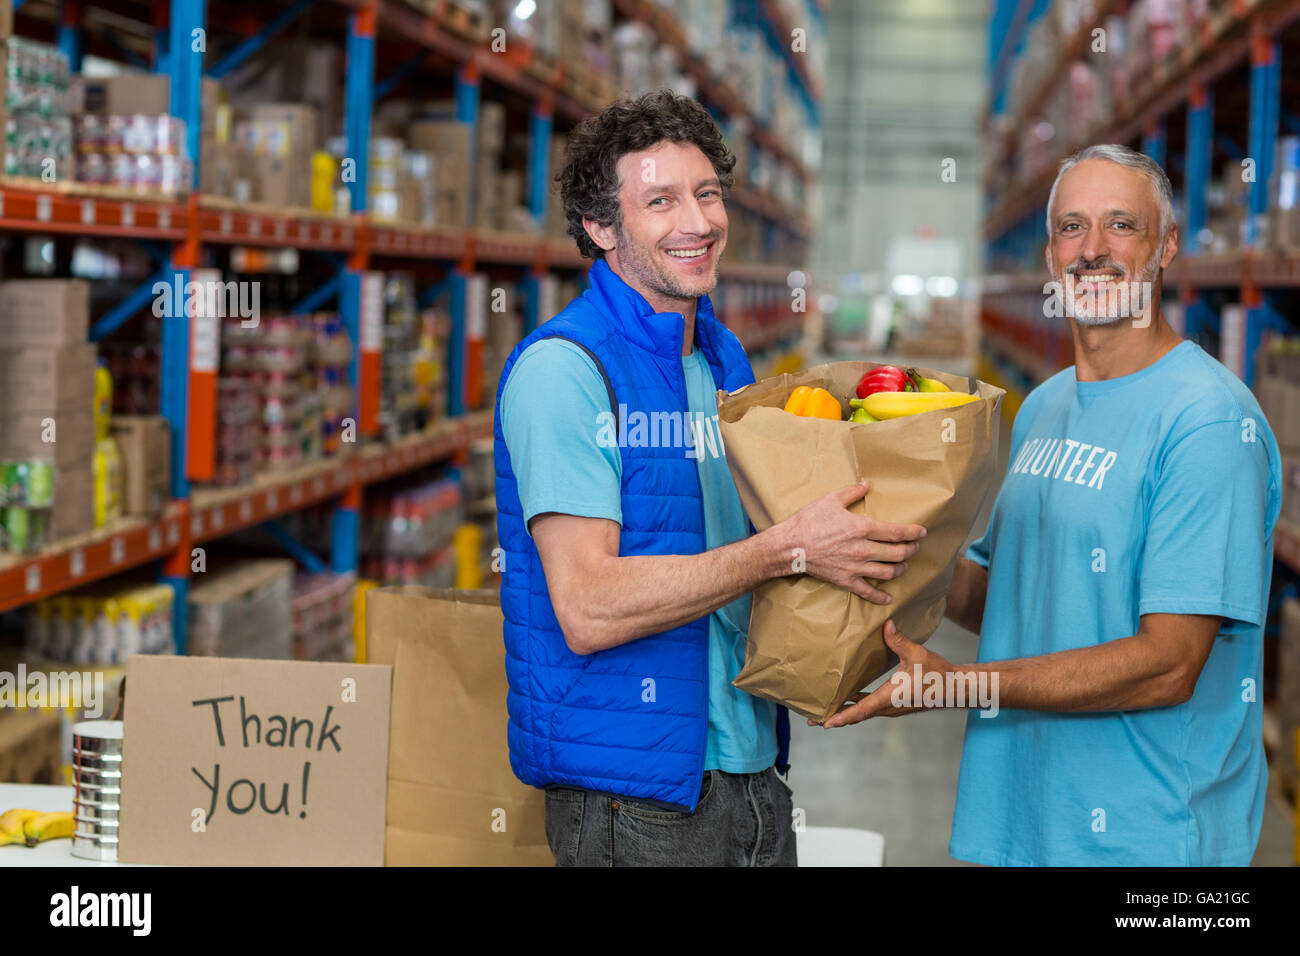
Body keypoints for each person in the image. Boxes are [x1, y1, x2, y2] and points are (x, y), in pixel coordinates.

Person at [493, 90, 926, 867]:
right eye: (659, 201)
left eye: (708, 193)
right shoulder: (564, 371)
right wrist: (785, 552)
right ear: (600, 227)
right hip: (638, 795)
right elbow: (587, 607)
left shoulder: (723, 356)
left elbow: (744, 546)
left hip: (753, 771)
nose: (697, 222)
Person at [823, 144, 1280, 867]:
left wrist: (957, 687)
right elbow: (999, 591)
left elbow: (1169, 664)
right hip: (1021, 819)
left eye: (1120, 226)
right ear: (1049, 255)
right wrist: (883, 541)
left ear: (1165, 250)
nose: (1091, 250)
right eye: (1072, 227)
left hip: (1145, 842)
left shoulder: (1208, 423)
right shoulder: (1042, 408)